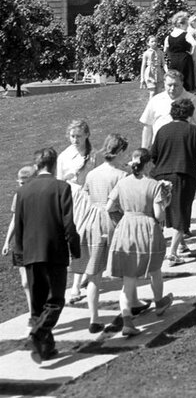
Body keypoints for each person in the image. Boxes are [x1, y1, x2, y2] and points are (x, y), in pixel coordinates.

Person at [12, 147, 80, 362]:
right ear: (53, 163)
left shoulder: (23, 191)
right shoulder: (61, 187)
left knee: (38, 304)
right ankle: (37, 334)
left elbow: (19, 225)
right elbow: (68, 223)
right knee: (56, 300)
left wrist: (20, 255)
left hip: (30, 253)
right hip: (54, 252)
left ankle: (45, 349)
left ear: (37, 165)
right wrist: (75, 248)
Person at [105, 148, 172, 336]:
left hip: (126, 227)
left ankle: (127, 320)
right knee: (155, 269)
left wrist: (123, 218)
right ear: (149, 163)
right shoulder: (154, 185)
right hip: (147, 228)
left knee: (128, 279)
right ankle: (159, 303)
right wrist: (165, 205)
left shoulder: (122, 182)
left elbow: (109, 207)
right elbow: (158, 215)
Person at [77, 134, 128, 333]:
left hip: (92, 221)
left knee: (94, 274)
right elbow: (121, 203)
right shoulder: (121, 176)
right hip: (113, 221)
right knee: (126, 271)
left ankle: (94, 318)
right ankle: (127, 312)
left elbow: (87, 195)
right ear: (120, 151)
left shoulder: (92, 173)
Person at [152, 97, 196, 264]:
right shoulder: (193, 131)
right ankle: (172, 252)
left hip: (161, 176)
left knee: (165, 212)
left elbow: (154, 154)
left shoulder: (162, 130)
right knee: (181, 213)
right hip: (183, 175)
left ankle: (180, 246)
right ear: (190, 114)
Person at [2, 165, 36, 323]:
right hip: (21, 243)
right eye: (20, 184)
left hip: (37, 242)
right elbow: (14, 220)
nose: (22, 187)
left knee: (38, 280)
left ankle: (40, 311)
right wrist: (6, 242)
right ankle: (32, 314)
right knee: (25, 282)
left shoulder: (40, 196)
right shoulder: (18, 197)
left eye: (25, 183)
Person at [140, 69, 196, 148]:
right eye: (169, 85)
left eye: (176, 85)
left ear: (182, 83)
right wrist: (144, 149)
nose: (172, 89)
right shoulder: (155, 100)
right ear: (164, 83)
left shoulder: (192, 100)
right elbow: (147, 126)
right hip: (160, 149)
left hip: (185, 149)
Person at [164, 11, 196, 92]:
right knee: (186, 81)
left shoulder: (168, 37)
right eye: (186, 24)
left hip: (173, 60)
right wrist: (192, 55)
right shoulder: (186, 34)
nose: (187, 26)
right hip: (185, 60)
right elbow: (195, 45)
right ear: (181, 24)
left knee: (175, 80)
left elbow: (165, 50)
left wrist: (171, 55)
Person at [55, 119, 93, 185]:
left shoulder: (95, 155)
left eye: (78, 136)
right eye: (72, 136)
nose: (75, 140)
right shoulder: (63, 157)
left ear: (86, 135)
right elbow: (59, 182)